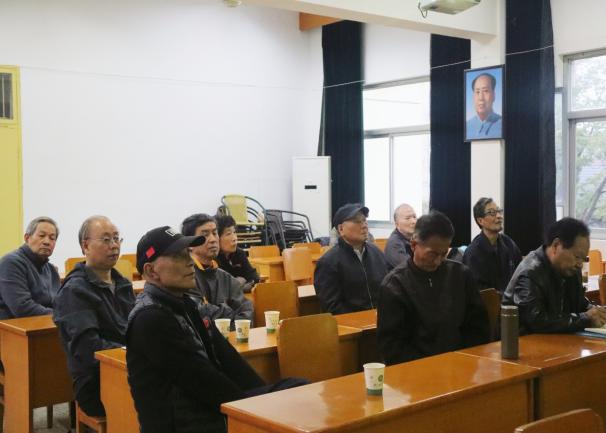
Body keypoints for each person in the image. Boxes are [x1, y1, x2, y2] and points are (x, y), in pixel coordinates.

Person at [127, 226, 306, 433]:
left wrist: (262, 399)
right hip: (186, 424)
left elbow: (228, 358)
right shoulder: (150, 318)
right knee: (289, 400)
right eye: (178, 256)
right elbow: (202, 381)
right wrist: (252, 412)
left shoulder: (187, 304)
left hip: (207, 413)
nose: (189, 261)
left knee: (295, 390)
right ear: (151, 271)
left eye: (188, 253)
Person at [377, 211, 490, 365]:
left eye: (443, 254)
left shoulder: (461, 275)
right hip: (416, 370)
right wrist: (434, 366)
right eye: (432, 254)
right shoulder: (395, 285)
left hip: (460, 364)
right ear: (414, 245)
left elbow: (478, 328)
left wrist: (462, 359)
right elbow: (392, 347)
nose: (437, 261)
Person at [53, 215, 135, 417]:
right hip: (96, 382)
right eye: (106, 239)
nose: (114, 245)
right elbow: (88, 349)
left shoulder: (123, 283)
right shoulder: (75, 291)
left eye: (116, 238)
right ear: (86, 246)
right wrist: (134, 353)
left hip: (131, 367)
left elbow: (137, 328)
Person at [503, 217, 606, 334]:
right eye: (577, 257)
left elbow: (579, 304)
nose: (580, 264)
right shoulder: (530, 272)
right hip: (524, 341)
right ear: (556, 245)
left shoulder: (570, 270)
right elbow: (535, 321)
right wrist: (585, 318)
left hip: (558, 339)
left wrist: (596, 312)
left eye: (583, 259)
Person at [181, 213, 253, 328]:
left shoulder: (226, 278)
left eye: (215, 233)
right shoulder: (184, 277)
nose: (213, 239)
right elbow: (198, 313)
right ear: (190, 244)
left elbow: (247, 315)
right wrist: (230, 314)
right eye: (205, 235)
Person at [314, 203, 388, 314]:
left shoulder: (376, 253)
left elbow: (387, 289)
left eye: (364, 220)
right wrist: (362, 318)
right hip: (352, 322)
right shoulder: (328, 262)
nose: (364, 225)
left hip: (382, 319)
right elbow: (331, 306)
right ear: (341, 229)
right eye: (357, 221)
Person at [0, 217, 61, 319]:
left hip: (45, 322)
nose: (47, 241)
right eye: (41, 236)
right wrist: (61, 315)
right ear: (27, 238)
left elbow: (59, 303)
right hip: (13, 325)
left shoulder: (51, 269)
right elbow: (22, 307)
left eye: (52, 238)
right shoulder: (11, 262)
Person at [463, 198, 522, 294]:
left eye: (499, 211)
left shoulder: (508, 243)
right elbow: (478, 291)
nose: (499, 216)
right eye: (492, 213)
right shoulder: (473, 253)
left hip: (512, 300)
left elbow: (521, 272)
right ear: (480, 220)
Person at [214, 214, 259, 293]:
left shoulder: (239, 253)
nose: (235, 238)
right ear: (217, 238)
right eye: (228, 234)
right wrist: (241, 283)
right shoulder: (213, 258)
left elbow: (254, 277)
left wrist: (238, 285)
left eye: (234, 232)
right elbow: (221, 287)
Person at [466, 73, 502, 140]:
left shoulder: (503, 124)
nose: (481, 98)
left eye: (485, 91)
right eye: (477, 92)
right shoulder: (466, 126)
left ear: (494, 95)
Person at [384, 203, 416, 271]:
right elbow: (409, 268)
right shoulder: (394, 243)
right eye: (407, 218)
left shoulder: (414, 238)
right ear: (397, 224)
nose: (414, 221)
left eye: (414, 217)